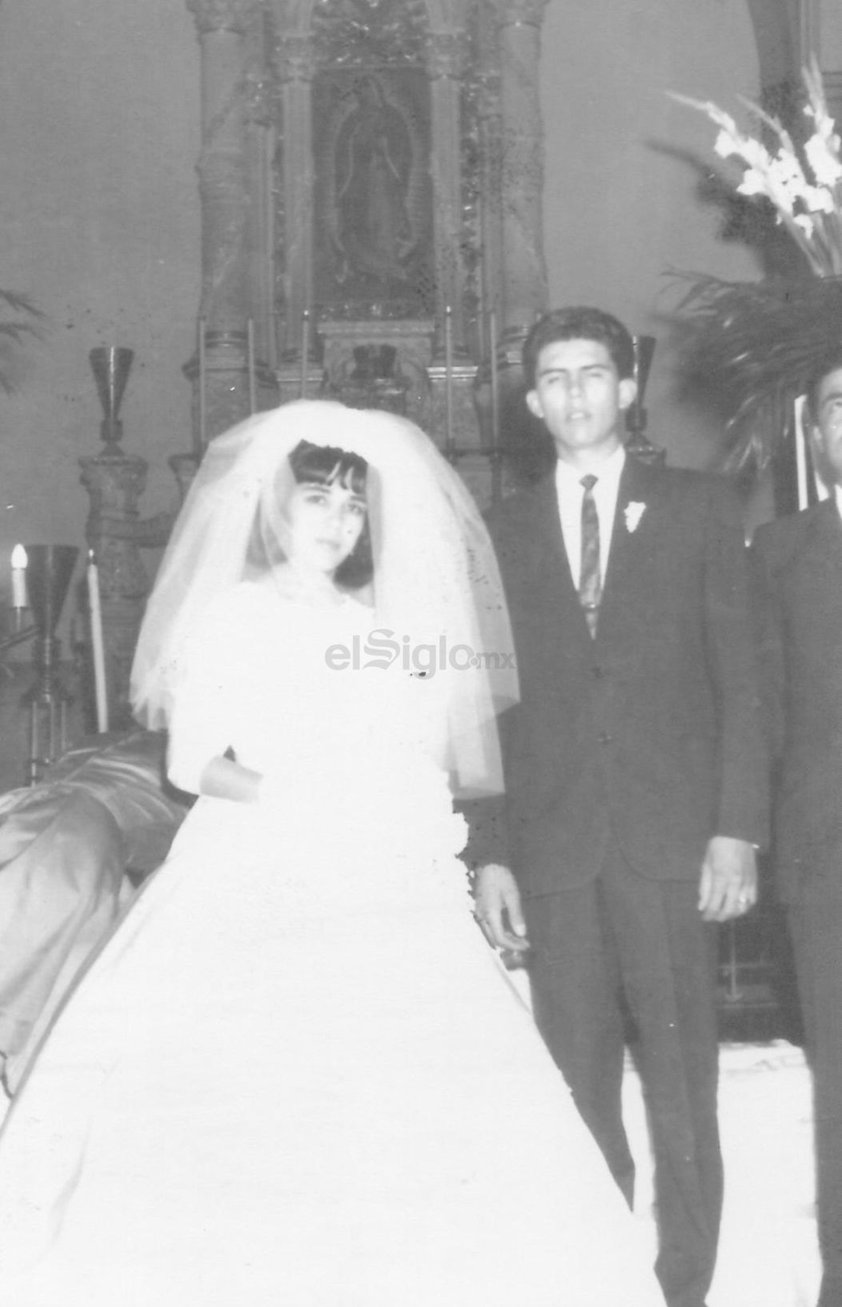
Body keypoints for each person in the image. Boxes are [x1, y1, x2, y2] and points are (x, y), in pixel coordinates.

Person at [0, 400, 666, 1307]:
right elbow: (195, 761)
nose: (338, 521)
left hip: (381, 874)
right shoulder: (232, 615)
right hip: (261, 865)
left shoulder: (384, 626)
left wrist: (400, 803)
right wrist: (305, 800)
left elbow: (416, 748)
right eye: (318, 499)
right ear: (276, 506)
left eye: (354, 506)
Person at [470, 308, 768, 1307]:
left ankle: (683, 1283)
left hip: (668, 845)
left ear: (626, 386)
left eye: (591, 374)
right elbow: (486, 707)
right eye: (551, 379)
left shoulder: (695, 507)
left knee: (681, 1088)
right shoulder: (499, 530)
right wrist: (493, 850)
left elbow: (741, 681)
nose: (572, 394)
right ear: (529, 401)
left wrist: (733, 828)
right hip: (555, 852)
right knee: (574, 1082)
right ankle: (597, 1273)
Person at [751, 345, 842, 1307]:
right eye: (840, 406)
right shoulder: (776, 555)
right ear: (815, 434)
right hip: (832, 855)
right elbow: (762, 713)